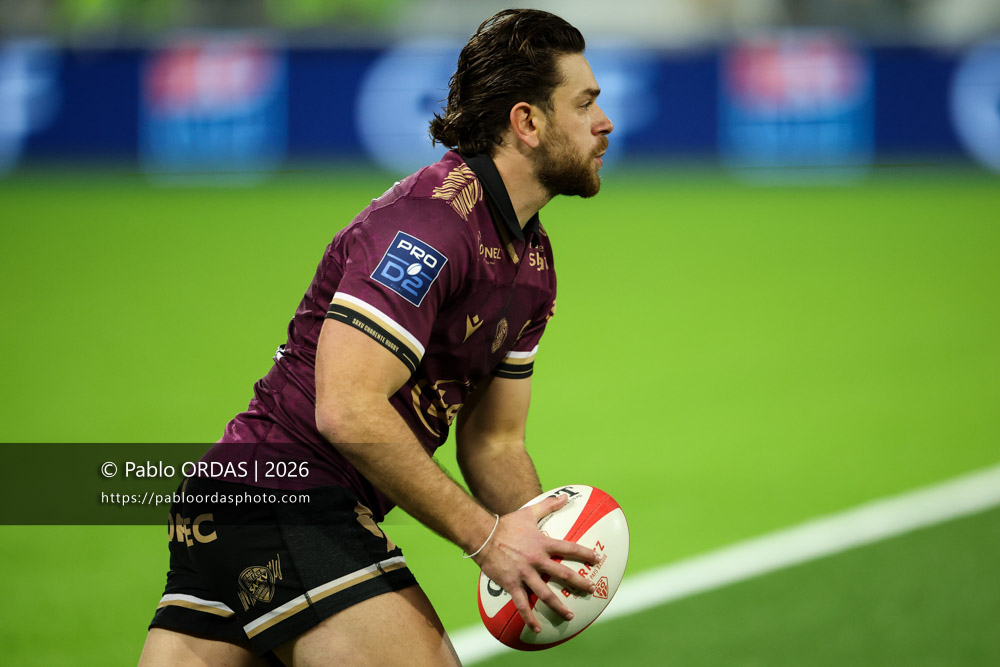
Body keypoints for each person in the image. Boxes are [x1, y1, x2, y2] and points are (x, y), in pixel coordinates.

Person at [139, 8, 614, 666]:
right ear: (527, 122)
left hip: (238, 508)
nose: (604, 122)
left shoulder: (534, 264)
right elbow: (348, 409)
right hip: (287, 496)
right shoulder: (430, 227)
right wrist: (487, 538)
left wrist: (542, 542)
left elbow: (494, 442)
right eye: (585, 102)